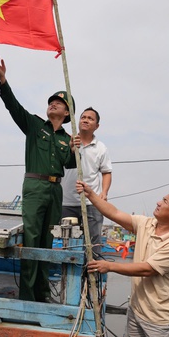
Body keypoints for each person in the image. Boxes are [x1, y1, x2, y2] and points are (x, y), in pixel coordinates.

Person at [78, 180, 169, 337]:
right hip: (137, 311)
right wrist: (90, 194)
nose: (158, 202)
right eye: (161, 199)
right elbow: (114, 213)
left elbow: (147, 269)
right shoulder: (146, 224)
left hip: (159, 318)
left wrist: (110, 266)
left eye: (165, 202)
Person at [0, 54, 76, 302]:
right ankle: (28, 296)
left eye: (58, 103)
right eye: (51, 102)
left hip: (55, 190)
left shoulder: (66, 139)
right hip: (34, 186)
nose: (52, 104)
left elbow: (69, 166)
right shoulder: (34, 125)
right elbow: (13, 107)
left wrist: (74, 150)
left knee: (47, 242)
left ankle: (42, 294)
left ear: (67, 112)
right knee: (31, 240)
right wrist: (3, 80)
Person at [61, 107, 112, 255]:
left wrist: (104, 192)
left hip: (91, 202)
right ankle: (66, 276)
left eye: (90, 118)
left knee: (93, 242)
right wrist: (71, 148)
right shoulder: (67, 141)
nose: (85, 120)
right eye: (83, 117)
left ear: (97, 126)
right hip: (67, 201)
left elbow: (107, 172)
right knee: (65, 242)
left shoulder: (101, 148)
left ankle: (92, 276)